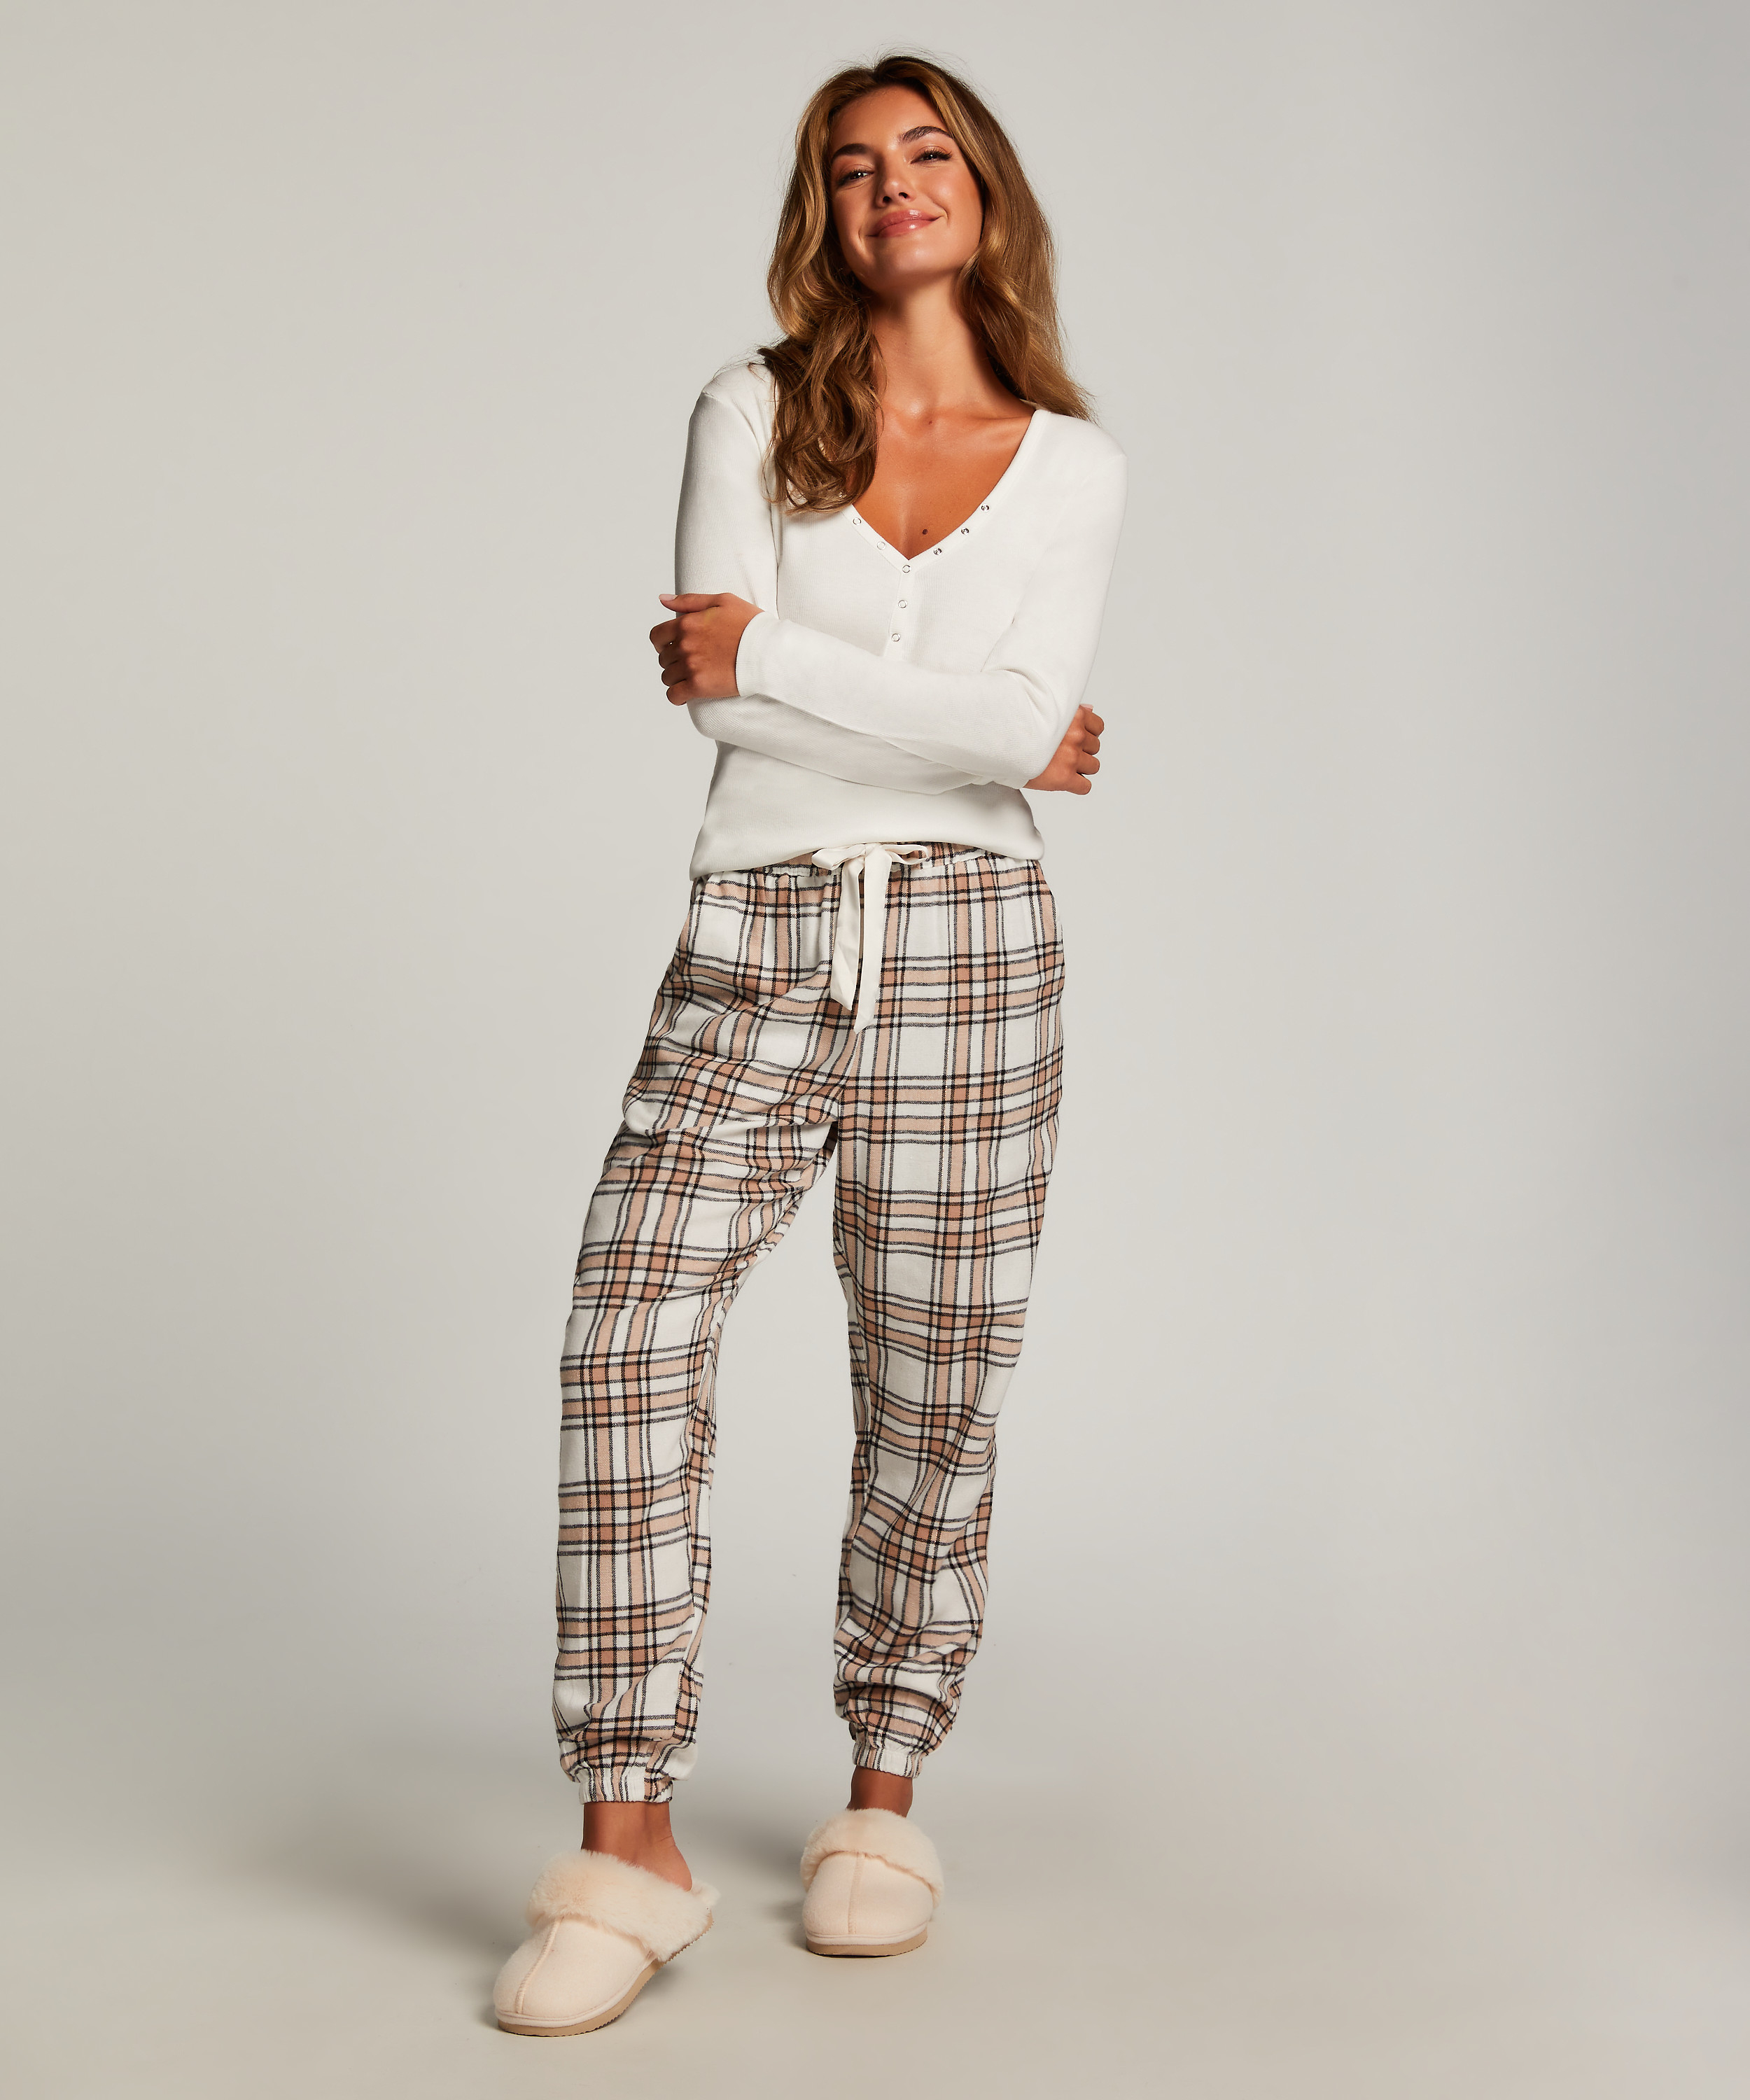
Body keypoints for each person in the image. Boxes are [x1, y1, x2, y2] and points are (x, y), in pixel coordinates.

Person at [493, 52, 1126, 2037]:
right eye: (852, 167)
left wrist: (775, 647)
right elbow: (732, 712)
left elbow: (806, 673)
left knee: (933, 1374)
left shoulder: (1074, 465)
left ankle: (882, 1798)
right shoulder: (750, 408)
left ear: (985, 192)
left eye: (926, 154)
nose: (891, 186)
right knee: (625, 1329)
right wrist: (972, 725)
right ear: (821, 213)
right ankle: (630, 1846)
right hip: (758, 930)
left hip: (970, 947)